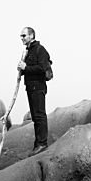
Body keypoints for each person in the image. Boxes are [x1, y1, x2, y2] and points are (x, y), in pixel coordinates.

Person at [18, 26, 52, 154]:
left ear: (31, 36)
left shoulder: (39, 50)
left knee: (39, 115)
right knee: (35, 117)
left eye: (24, 35)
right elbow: (30, 69)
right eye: (21, 36)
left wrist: (26, 68)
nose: (21, 38)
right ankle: (37, 144)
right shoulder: (28, 51)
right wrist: (22, 71)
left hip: (38, 87)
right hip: (31, 87)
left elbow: (42, 68)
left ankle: (42, 144)